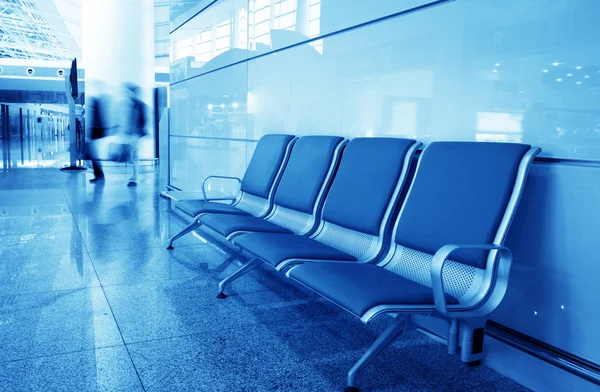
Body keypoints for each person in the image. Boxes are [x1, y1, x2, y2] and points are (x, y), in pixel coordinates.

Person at [123, 83, 147, 187]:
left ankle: (134, 177)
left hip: (136, 134)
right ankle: (134, 176)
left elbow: (143, 120)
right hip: (130, 134)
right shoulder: (131, 104)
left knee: (134, 156)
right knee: (133, 156)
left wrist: (139, 131)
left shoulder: (140, 105)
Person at [88, 96, 107, 183]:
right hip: (95, 134)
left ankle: (99, 175)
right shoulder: (96, 111)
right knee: (94, 156)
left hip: (95, 134)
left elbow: (97, 123)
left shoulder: (96, 111)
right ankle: (99, 175)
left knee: (94, 156)